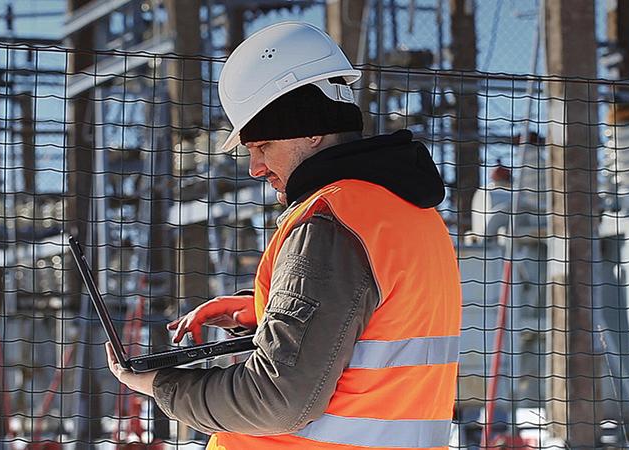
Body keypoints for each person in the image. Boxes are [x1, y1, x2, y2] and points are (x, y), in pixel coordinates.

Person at [105, 21, 462, 450]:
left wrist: (161, 384)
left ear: (311, 128)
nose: (255, 167)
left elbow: (277, 398)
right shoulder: (408, 212)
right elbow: (378, 324)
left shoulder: (330, 221)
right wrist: (265, 309)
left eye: (263, 146)